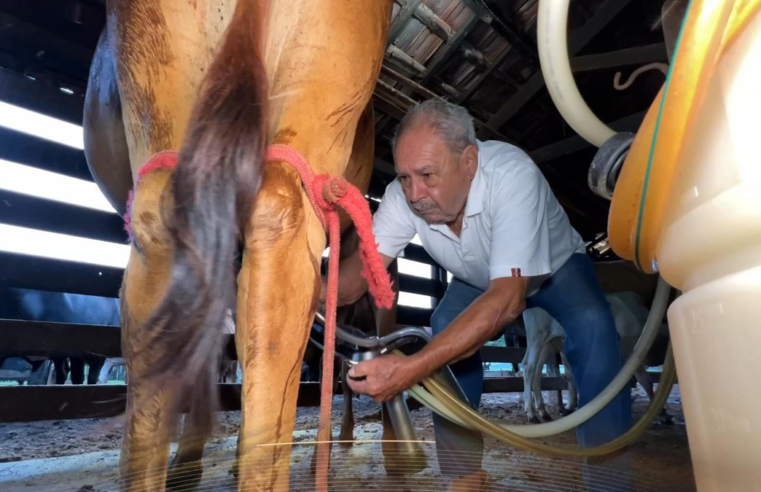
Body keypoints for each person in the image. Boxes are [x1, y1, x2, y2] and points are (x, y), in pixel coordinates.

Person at [321, 99, 632, 490]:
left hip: (554, 267)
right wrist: (303, 290)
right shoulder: (404, 197)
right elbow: (353, 282)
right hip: (478, 279)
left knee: (595, 330)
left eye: (427, 175)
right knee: (445, 323)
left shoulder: (512, 175)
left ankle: (610, 483)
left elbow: (507, 300)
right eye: (404, 177)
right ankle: (464, 475)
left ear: (469, 162)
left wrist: (412, 369)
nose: (414, 193)